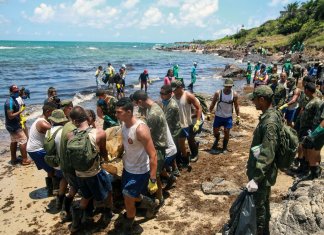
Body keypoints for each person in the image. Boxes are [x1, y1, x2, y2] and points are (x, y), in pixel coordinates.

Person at [115, 97, 158, 234]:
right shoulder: (124, 125)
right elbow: (127, 145)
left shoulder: (140, 129)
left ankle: (132, 225)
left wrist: (152, 179)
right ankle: (150, 203)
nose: (116, 115)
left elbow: (153, 155)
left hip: (140, 171)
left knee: (128, 197)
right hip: (128, 168)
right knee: (130, 195)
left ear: (128, 112)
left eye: (119, 112)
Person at [67, 106, 113, 232]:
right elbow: (103, 152)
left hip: (79, 174)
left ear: (74, 121)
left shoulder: (70, 135)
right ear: (87, 118)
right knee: (108, 190)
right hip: (95, 173)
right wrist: (106, 160)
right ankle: (107, 213)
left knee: (86, 196)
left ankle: (76, 221)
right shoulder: (99, 133)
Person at [246, 85, 281, 235]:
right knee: (263, 204)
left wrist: (256, 178)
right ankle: (265, 230)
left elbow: (267, 153)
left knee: (259, 208)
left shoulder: (270, 122)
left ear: (262, 100)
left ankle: (261, 231)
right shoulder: (270, 115)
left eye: (255, 100)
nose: (253, 103)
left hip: (263, 176)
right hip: (263, 173)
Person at [131, 90, 168, 206]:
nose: (138, 106)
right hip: (160, 143)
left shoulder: (153, 114)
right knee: (158, 172)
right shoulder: (155, 106)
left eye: (137, 104)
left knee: (155, 175)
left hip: (158, 147)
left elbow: (147, 134)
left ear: (140, 101)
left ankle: (159, 199)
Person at [27, 103, 59, 196]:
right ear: (48, 111)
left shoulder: (41, 119)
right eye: (53, 113)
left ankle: (51, 188)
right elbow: (55, 133)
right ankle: (54, 189)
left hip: (33, 148)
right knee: (54, 168)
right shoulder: (43, 123)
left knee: (50, 169)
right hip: (36, 150)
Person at [171, 80, 202, 166]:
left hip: (190, 122)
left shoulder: (188, 96)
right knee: (180, 143)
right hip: (179, 124)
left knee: (190, 140)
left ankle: (195, 154)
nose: (173, 91)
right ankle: (184, 157)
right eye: (172, 89)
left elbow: (199, 108)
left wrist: (198, 122)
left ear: (181, 87)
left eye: (175, 89)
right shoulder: (172, 97)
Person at [297, 83, 322, 180]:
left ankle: (309, 170)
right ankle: (304, 168)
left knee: (310, 150)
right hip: (305, 128)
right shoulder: (311, 101)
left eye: (305, 89)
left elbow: (318, 118)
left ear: (307, 90)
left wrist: (312, 131)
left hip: (309, 129)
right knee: (304, 147)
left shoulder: (317, 102)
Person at [209, 78, 240, 154]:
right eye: (227, 86)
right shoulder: (218, 93)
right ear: (224, 86)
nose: (228, 88)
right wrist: (209, 113)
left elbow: (236, 106)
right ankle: (217, 138)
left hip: (228, 117)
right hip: (218, 116)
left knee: (226, 132)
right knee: (215, 131)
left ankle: (224, 147)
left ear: (232, 86)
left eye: (230, 86)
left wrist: (238, 116)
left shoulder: (234, 94)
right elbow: (213, 103)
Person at [46, 109, 69, 210]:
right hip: (63, 162)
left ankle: (57, 193)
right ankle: (61, 198)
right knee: (66, 179)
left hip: (53, 161)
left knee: (60, 177)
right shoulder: (63, 131)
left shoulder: (49, 131)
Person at [4, 85, 31, 165]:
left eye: (17, 91)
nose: (17, 92)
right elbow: (10, 116)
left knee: (14, 141)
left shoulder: (14, 99)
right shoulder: (10, 102)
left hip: (11, 125)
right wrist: (20, 111)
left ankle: (13, 159)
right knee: (23, 140)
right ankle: (25, 160)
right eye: (15, 91)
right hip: (13, 126)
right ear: (11, 92)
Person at [160, 84, 181, 176]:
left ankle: (175, 169)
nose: (161, 95)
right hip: (170, 129)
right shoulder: (166, 101)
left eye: (163, 93)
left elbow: (165, 121)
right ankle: (173, 168)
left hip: (174, 130)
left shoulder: (171, 106)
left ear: (169, 94)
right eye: (160, 93)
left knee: (171, 150)